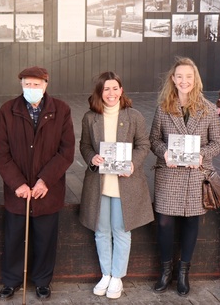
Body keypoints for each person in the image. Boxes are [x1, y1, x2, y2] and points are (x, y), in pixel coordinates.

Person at [0, 66, 75, 301]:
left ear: (46, 85)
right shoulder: (8, 110)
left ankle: (42, 281)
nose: (32, 88)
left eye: (36, 84)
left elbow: (66, 151)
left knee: (45, 238)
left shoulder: (61, 110)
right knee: (14, 237)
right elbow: (1, 152)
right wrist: (17, 183)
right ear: (21, 85)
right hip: (17, 190)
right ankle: (11, 280)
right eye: (27, 84)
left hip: (47, 190)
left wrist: (45, 180)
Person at [149, 57, 220, 296]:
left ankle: (183, 273)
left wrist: (202, 155)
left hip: (196, 176)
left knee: (192, 222)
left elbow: (218, 142)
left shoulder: (209, 109)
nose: (184, 81)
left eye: (188, 77)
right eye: (179, 76)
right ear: (173, 79)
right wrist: (165, 152)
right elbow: (154, 139)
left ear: (196, 80)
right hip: (169, 173)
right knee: (164, 223)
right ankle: (165, 271)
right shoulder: (163, 108)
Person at [78, 72, 153, 299]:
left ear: (121, 90)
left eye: (115, 88)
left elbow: (144, 144)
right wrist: (92, 158)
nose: (111, 93)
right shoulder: (90, 117)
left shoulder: (134, 116)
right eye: (106, 89)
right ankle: (106, 274)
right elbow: (84, 145)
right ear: (100, 92)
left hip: (125, 183)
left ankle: (117, 277)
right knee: (101, 231)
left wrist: (132, 164)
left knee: (121, 231)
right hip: (99, 183)